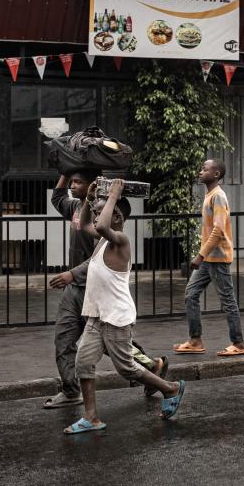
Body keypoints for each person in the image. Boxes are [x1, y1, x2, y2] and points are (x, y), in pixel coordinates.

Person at [64, 180, 186, 433]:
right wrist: (87, 200)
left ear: (117, 215)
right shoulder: (103, 241)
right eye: (97, 211)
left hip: (116, 317)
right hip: (97, 316)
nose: (98, 216)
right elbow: (86, 225)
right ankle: (91, 417)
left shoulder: (121, 240)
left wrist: (114, 195)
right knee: (83, 361)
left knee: (126, 367)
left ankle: (171, 388)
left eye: (102, 211)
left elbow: (100, 225)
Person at [46, 171, 163, 409]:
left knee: (119, 353)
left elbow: (98, 236)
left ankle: (160, 376)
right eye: (72, 181)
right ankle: (73, 394)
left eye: (78, 181)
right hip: (82, 293)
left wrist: (111, 196)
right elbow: (69, 206)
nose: (72, 185)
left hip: (105, 302)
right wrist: (69, 174)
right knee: (68, 343)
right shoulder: (80, 209)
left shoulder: (117, 237)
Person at [175, 159, 244, 357]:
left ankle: (238, 343)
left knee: (228, 301)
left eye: (205, 169)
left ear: (216, 174)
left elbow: (218, 230)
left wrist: (200, 255)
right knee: (191, 294)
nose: (200, 171)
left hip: (219, 258)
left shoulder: (219, 196)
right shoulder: (210, 195)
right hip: (209, 259)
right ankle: (195, 340)